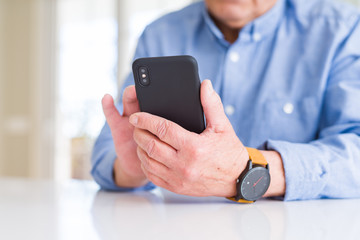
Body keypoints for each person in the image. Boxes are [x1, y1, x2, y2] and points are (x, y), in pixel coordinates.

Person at [91, 0, 360, 201]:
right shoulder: (160, 34)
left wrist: (246, 171)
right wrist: (137, 168)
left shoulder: (343, 30)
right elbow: (106, 157)